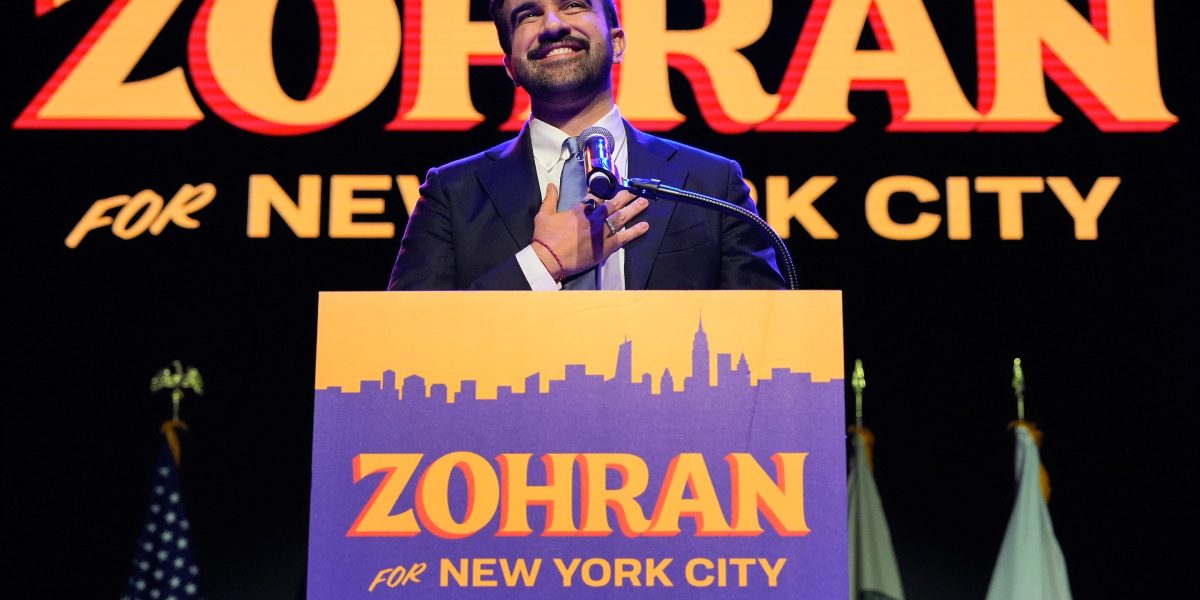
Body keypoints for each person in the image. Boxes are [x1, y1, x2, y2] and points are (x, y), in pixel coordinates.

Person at [387, 0, 785, 291]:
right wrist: (543, 263)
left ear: (617, 43)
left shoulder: (711, 183)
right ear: (510, 67)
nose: (552, 25)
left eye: (573, 5)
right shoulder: (452, 194)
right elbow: (409, 337)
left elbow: (764, 338)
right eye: (528, 15)